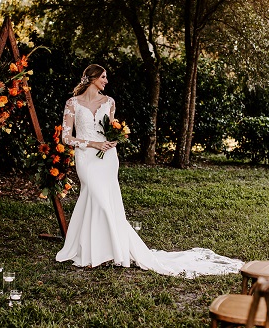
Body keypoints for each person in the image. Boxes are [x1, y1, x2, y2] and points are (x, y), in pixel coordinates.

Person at [56, 64, 243, 278]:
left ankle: (101, 252)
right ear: (92, 78)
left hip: (107, 159)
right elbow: (66, 138)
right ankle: (99, 250)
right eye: (104, 77)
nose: (106, 81)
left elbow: (112, 131)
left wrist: (114, 140)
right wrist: (93, 144)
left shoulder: (109, 102)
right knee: (96, 199)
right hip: (86, 157)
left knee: (104, 201)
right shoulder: (72, 103)